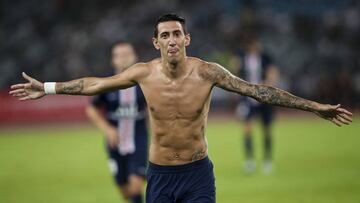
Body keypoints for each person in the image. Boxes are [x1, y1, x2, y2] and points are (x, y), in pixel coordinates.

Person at [10, 13, 352, 203]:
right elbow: (93, 84)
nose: (172, 40)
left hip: (197, 174)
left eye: (177, 33)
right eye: (166, 35)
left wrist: (314, 107)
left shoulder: (207, 72)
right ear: (156, 42)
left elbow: (258, 90)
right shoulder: (143, 73)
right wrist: (48, 87)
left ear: (186, 39)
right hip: (159, 176)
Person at [86, 42, 147, 203]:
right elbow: (91, 109)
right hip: (114, 143)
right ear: (114, 60)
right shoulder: (107, 83)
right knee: (125, 192)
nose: (124, 58)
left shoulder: (144, 83)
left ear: (135, 57)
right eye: (120, 55)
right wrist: (107, 129)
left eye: (128, 54)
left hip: (139, 139)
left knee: (136, 186)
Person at [235, 38, 279, 174]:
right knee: (247, 129)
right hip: (247, 98)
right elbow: (236, 74)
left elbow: (273, 74)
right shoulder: (242, 58)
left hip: (264, 98)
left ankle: (267, 161)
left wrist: (265, 87)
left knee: (266, 129)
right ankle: (250, 161)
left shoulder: (266, 58)